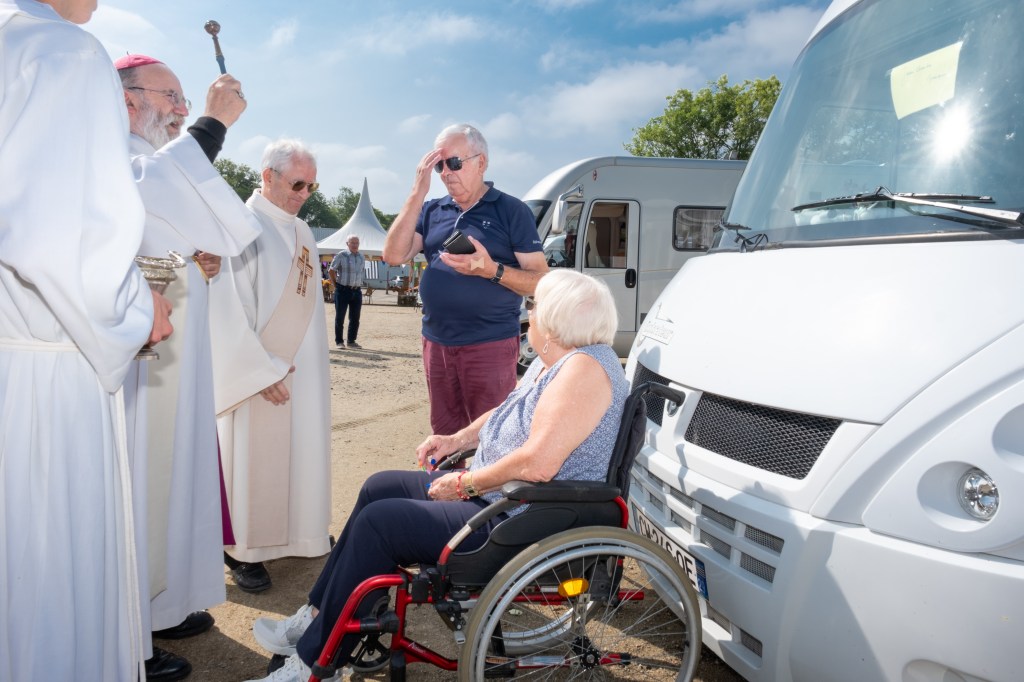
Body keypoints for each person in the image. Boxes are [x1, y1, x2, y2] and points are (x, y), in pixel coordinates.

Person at [246, 270, 627, 682]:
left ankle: (317, 663)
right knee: (379, 487)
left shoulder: (583, 371)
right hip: (504, 499)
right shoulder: (557, 361)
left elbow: (538, 464)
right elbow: (505, 414)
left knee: (382, 524)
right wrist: (457, 439)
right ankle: (323, 614)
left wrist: (465, 483)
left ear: (554, 320)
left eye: (535, 306)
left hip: (520, 516)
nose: (529, 313)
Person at [0, 1, 173, 680]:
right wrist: (136, 306)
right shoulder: (63, 51)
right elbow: (54, 236)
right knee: (48, 572)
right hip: (45, 370)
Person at [115, 54, 263, 681]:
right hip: (136, 368)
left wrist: (184, 264)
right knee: (145, 485)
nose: (178, 109)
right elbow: (155, 186)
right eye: (169, 97)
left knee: (174, 480)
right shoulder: (107, 154)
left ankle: (164, 605)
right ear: (126, 100)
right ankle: (128, 633)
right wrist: (211, 122)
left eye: (183, 99)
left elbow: (170, 233)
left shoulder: (141, 156)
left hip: (171, 359)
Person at [209, 139, 332, 594]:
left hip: (304, 371)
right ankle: (245, 550)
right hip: (258, 374)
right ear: (267, 176)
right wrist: (262, 369)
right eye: (297, 183)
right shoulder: (238, 226)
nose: (303, 194)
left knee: (303, 447)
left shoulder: (304, 233)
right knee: (252, 459)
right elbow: (225, 311)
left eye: (311, 186)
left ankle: (300, 532)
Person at [382, 123, 547, 436]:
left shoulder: (512, 211)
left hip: (490, 344)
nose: (446, 173)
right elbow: (393, 255)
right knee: (444, 435)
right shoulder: (431, 210)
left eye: (454, 163)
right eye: (440, 165)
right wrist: (417, 193)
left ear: (481, 162)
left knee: (492, 435)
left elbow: (541, 281)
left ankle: (489, 487)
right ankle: (446, 485)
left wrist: (490, 269)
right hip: (437, 344)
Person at [328, 235, 365, 348]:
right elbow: (331, 270)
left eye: (357, 243)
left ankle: (351, 341)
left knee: (355, 318)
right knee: (340, 317)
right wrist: (336, 285)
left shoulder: (361, 257)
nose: (355, 245)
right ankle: (339, 341)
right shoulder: (341, 255)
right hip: (343, 290)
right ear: (347, 243)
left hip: (356, 290)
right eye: (352, 242)